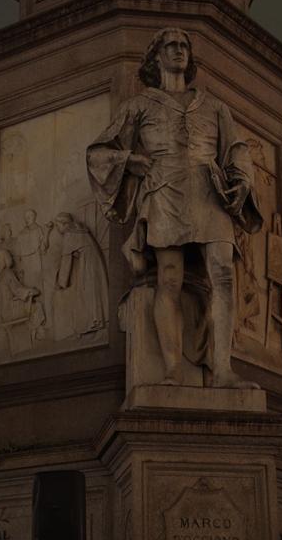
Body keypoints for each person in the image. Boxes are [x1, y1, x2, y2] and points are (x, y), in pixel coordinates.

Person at [86, 28, 262, 387]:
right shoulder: (139, 105)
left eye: (184, 46)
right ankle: (171, 369)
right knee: (169, 278)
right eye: (172, 46)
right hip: (164, 191)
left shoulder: (214, 106)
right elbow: (99, 153)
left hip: (210, 191)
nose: (179, 51)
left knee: (223, 275)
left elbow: (236, 149)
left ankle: (224, 369)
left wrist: (242, 181)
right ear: (157, 57)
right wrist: (131, 159)